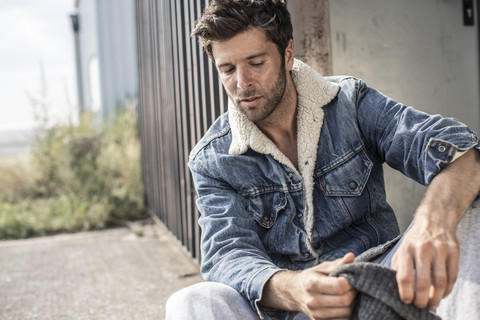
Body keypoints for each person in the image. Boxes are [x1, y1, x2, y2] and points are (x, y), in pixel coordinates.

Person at [166, 0, 480, 319]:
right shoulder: (211, 159)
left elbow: (455, 146)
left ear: (287, 54)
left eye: (256, 62)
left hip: (373, 290)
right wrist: (295, 288)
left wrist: (430, 225)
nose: (242, 83)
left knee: (471, 210)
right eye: (228, 69)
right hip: (290, 308)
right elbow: (227, 254)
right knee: (190, 301)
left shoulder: (349, 102)